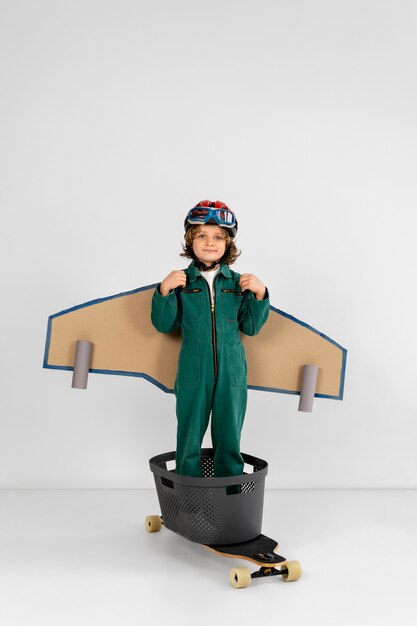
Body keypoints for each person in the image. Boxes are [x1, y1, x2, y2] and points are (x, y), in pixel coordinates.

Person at [151, 200, 269, 478]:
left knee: (229, 436)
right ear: (189, 241)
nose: (209, 242)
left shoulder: (238, 283)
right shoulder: (181, 281)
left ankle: (231, 499)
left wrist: (261, 294)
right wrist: (164, 290)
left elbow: (251, 328)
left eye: (218, 237)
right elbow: (164, 324)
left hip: (232, 369)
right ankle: (188, 502)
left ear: (228, 243)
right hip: (193, 367)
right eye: (201, 235)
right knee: (189, 436)